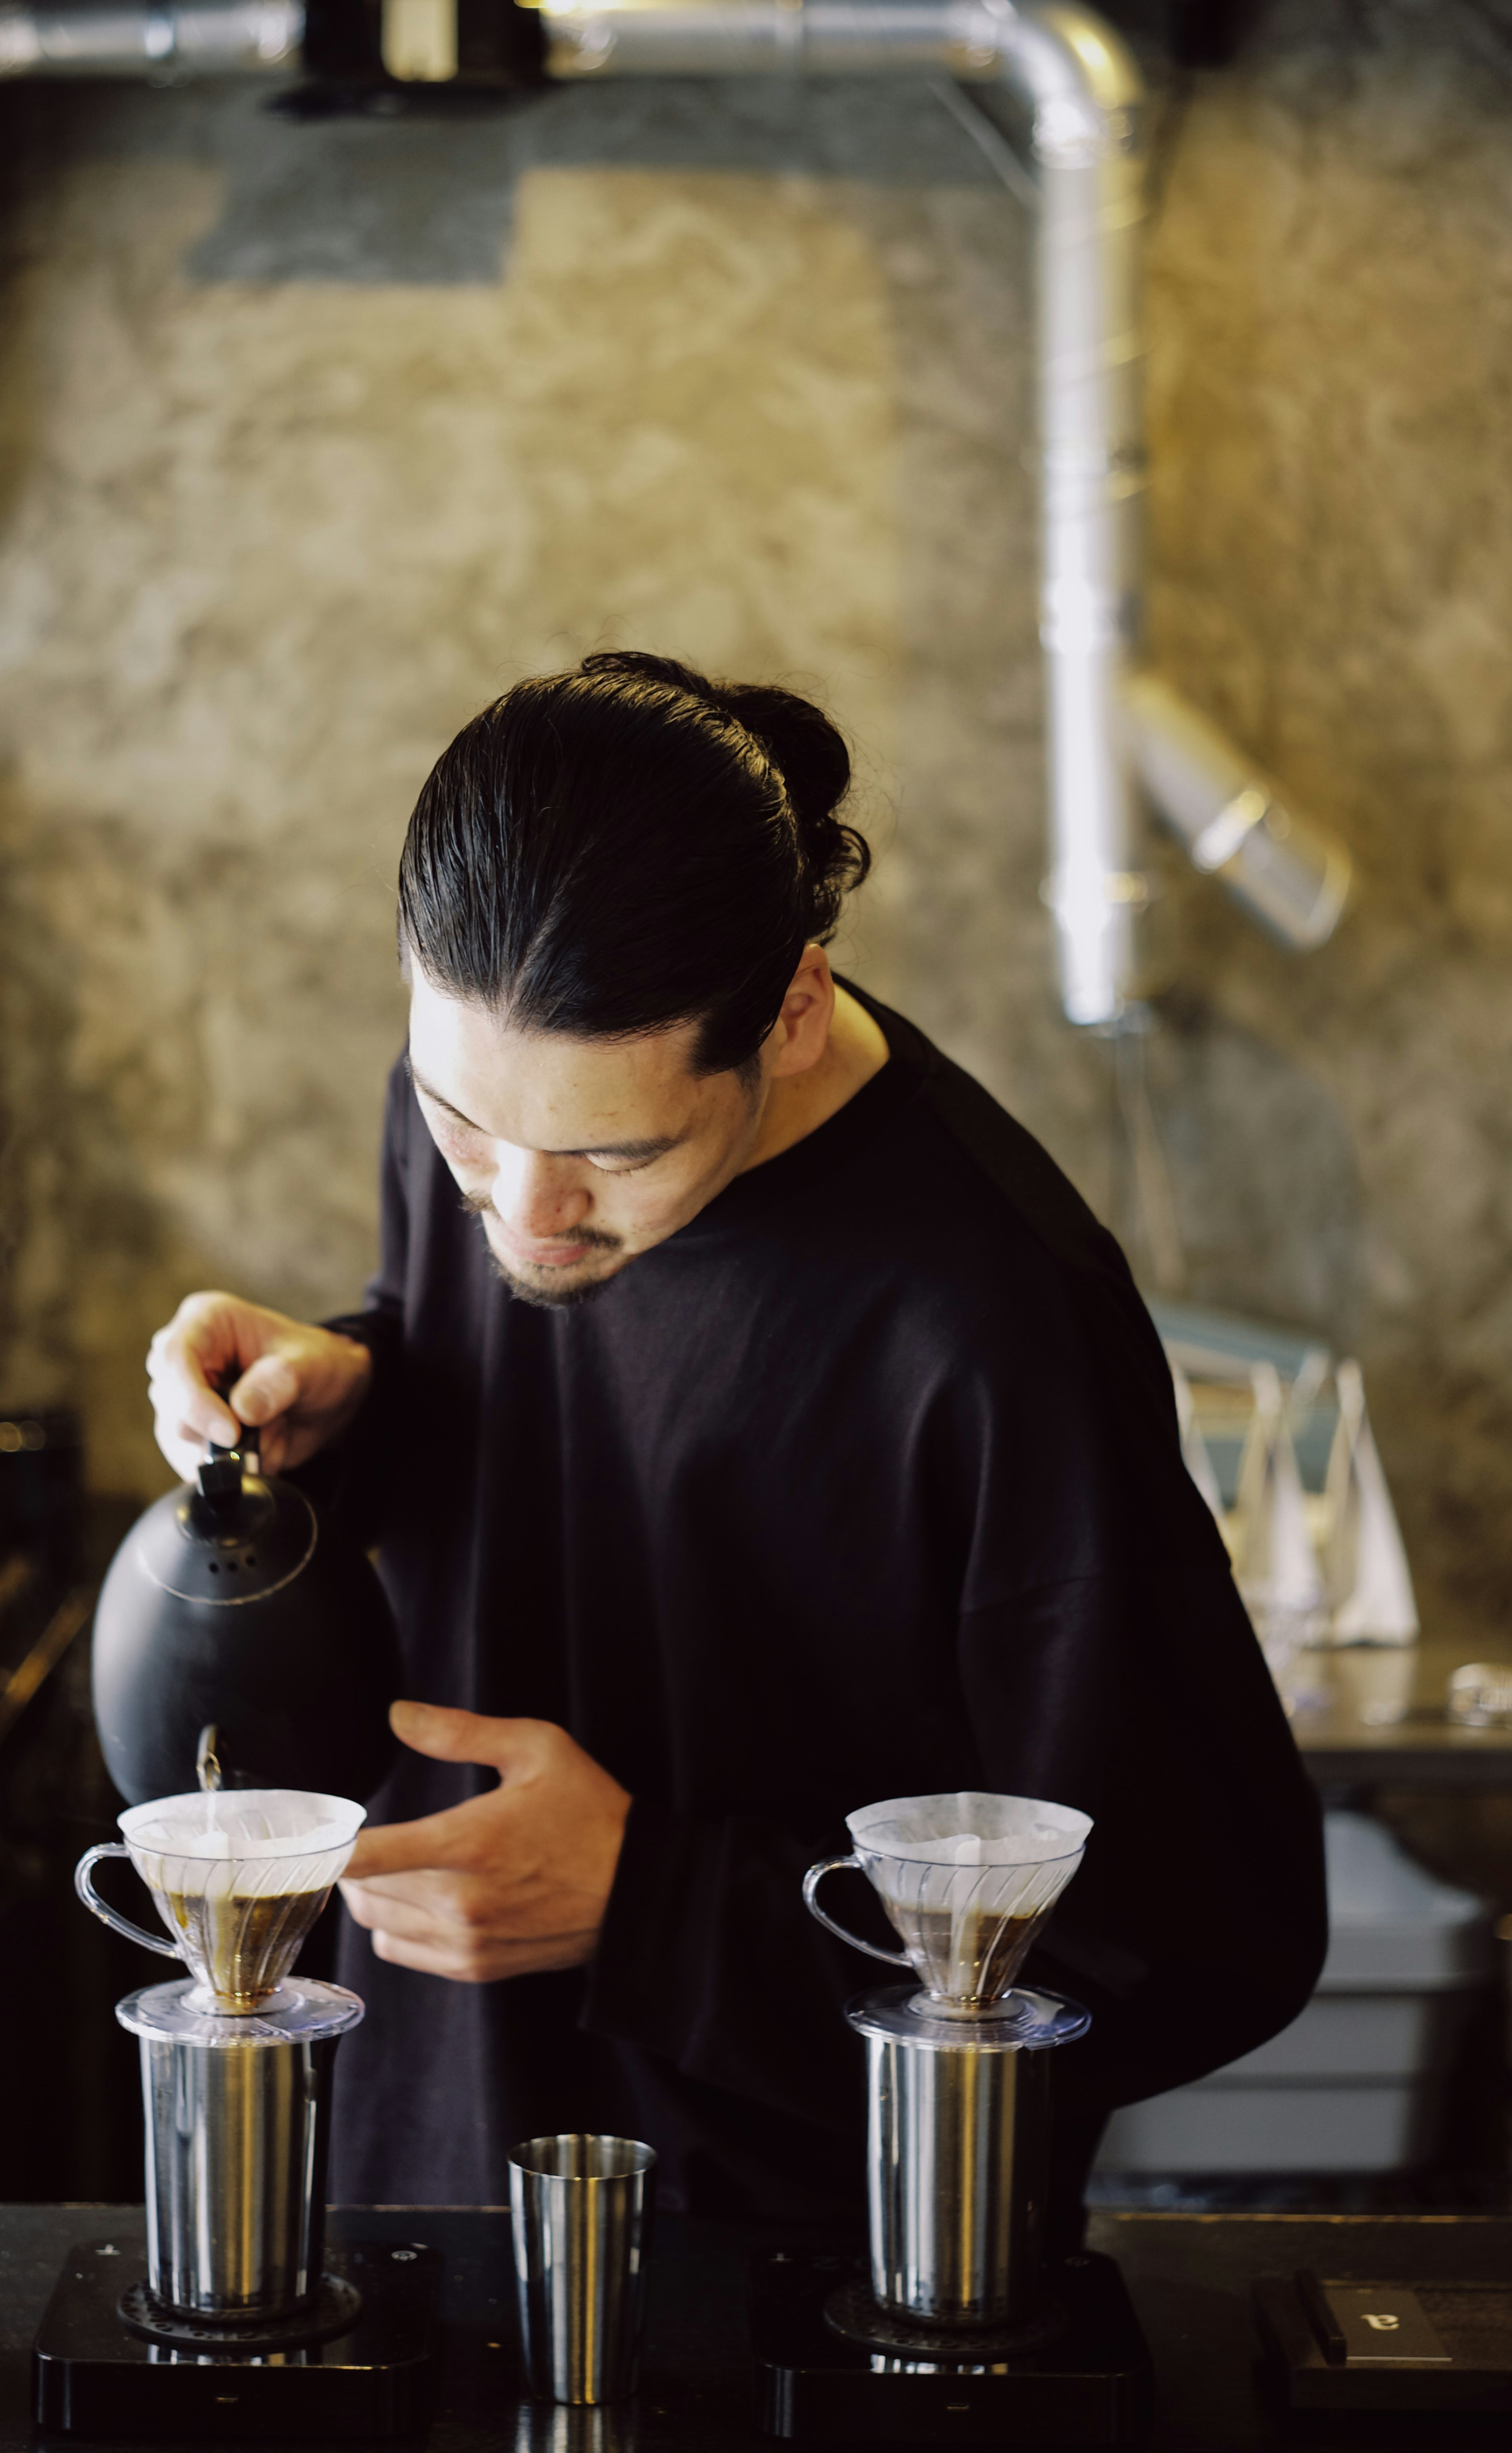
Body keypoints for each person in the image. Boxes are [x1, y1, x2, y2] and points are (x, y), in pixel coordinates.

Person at [147, 650, 1327, 2227]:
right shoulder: (514, 1087)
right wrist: (369, 1384)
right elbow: (573, 1427)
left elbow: (1190, 1939)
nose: (520, 1210)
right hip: (426, 2165)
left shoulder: (990, 1320)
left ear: (791, 1010)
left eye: (610, 1156)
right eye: (457, 1129)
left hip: (801, 2272)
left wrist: (656, 1906)